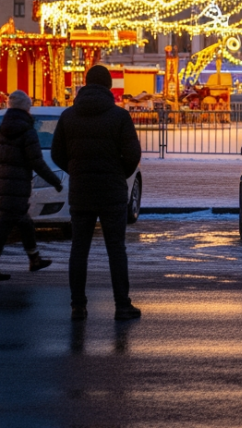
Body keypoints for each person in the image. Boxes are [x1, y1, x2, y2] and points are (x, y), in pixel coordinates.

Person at [52, 65, 143, 321]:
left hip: (81, 191)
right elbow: (133, 155)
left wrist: (76, 170)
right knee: (116, 250)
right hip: (112, 192)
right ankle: (122, 305)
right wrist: (118, 174)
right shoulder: (120, 117)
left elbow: (57, 154)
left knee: (79, 250)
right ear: (109, 87)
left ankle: (78, 306)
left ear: (85, 84)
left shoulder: (68, 116)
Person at [0, 90, 63, 281]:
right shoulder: (27, 131)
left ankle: (34, 259)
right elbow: (37, 162)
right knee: (5, 225)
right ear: (26, 108)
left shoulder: (0, 130)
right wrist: (55, 181)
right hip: (17, 186)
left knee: (24, 222)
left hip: (4, 185)